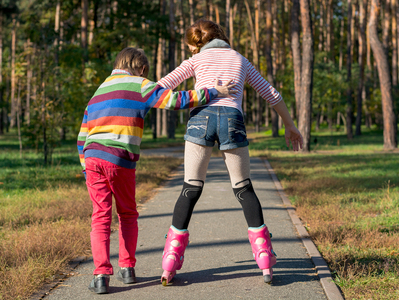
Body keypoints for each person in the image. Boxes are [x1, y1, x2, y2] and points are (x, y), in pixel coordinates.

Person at [77, 47, 236, 294]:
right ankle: (127, 269)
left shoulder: (99, 90)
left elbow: (83, 133)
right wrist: (214, 92)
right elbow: (175, 100)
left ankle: (100, 275)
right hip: (120, 159)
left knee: (100, 216)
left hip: (92, 158)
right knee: (127, 214)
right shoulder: (141, 85)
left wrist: (86, 168)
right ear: (141, 69)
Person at [158, 20, 303, 285]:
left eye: (191, 47)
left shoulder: (195, 60)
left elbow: (160, 88)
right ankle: (264, 260)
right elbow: (271, 94)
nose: (191, 51)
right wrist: (290, 126)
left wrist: (199, 93)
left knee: (190, 188)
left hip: (201, 118)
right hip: (232, 120)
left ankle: (170, 261)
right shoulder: (239, 59)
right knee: (243, 188)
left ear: (198, 43)